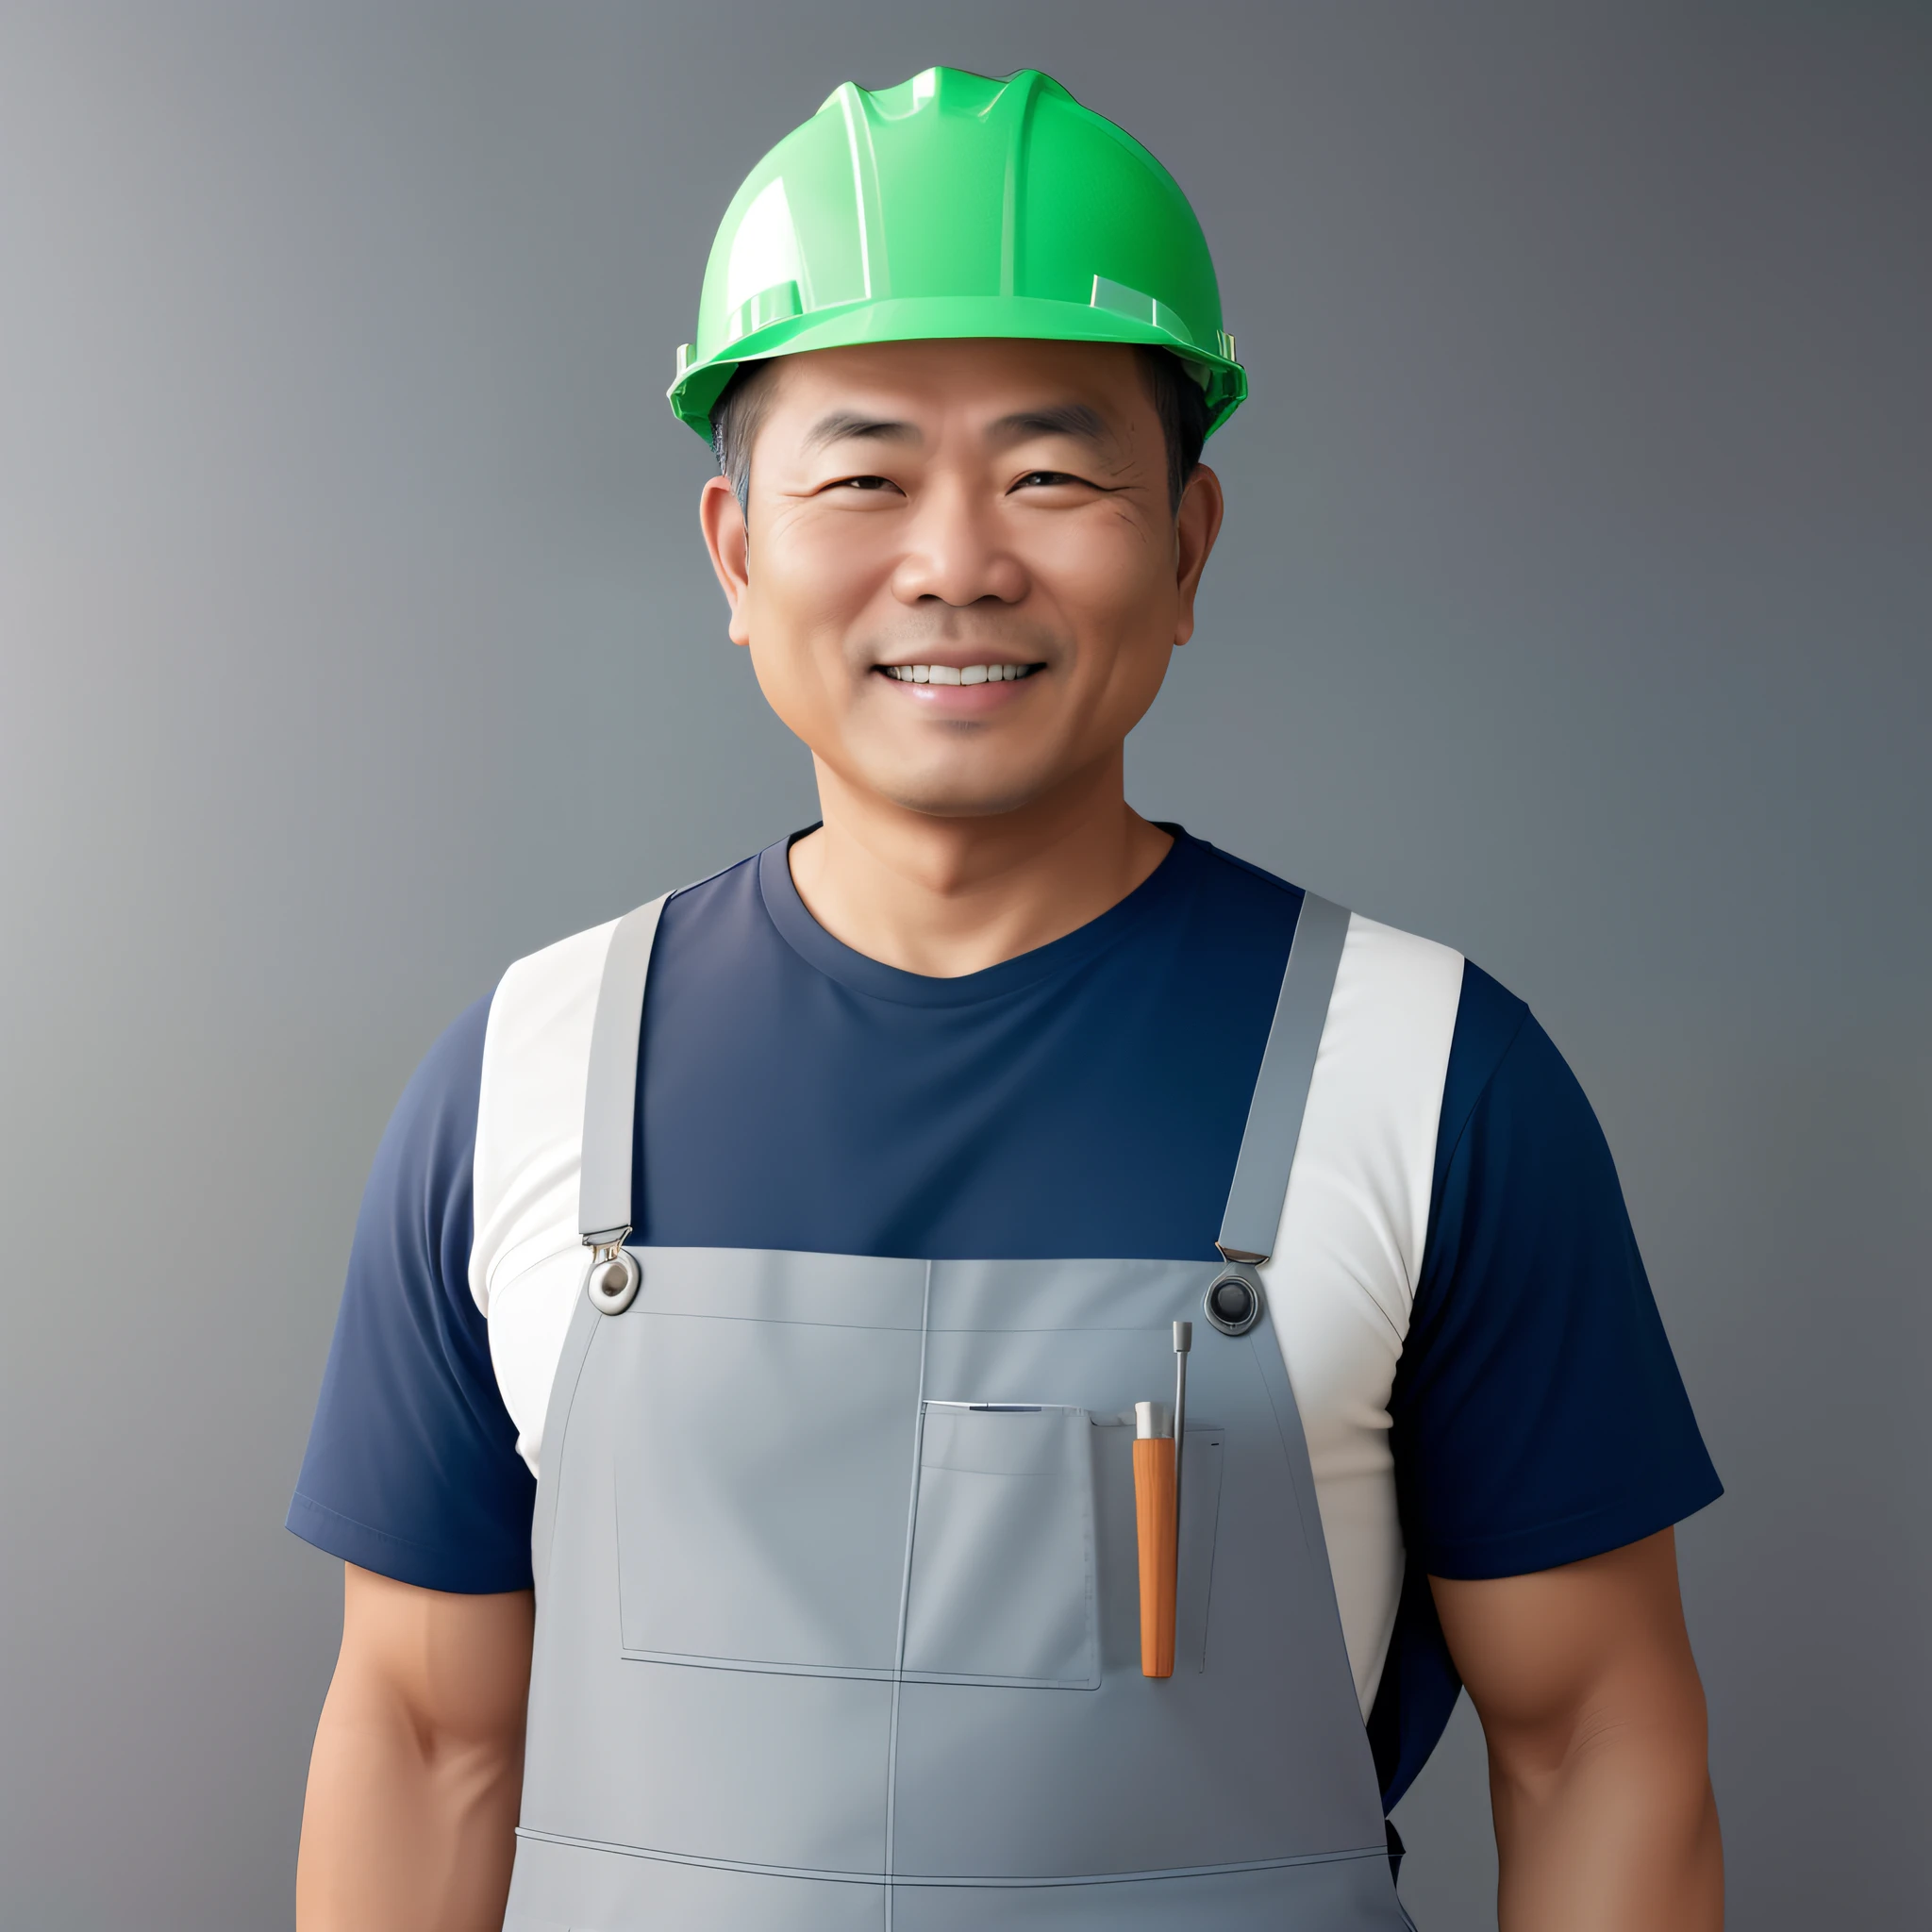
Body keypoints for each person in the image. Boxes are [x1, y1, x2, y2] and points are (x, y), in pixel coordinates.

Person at [291, 66, 1724, 1932]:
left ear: (1187, 544)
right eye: (864, 474)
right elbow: (420, 1741)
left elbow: (1595, 1736)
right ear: (735, 553)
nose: (957, 560)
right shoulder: (523, 1083)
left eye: (1050, 473)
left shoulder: (1431, 1078)